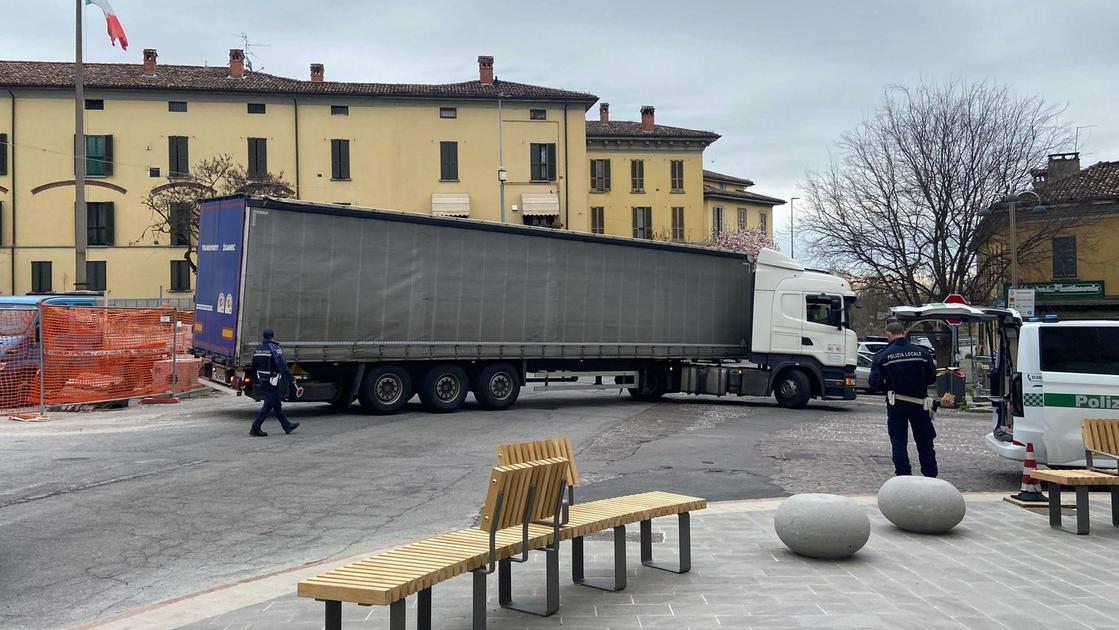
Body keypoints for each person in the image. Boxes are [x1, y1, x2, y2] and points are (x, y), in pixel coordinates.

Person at [869, 321, 938, 477]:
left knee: (899, 442)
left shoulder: (883, 356)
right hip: (920, 403)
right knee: (925, 442)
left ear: (889, 335)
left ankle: (903, 475)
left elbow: (874, 383)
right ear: (904, 333)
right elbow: (931, 378)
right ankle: (930, 475)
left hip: (896, 403)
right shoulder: (922, 353)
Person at [249, 329, 302, 437]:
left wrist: (256, 380)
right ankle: (255, 428)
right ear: (273, 337)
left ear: (263, 337)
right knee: (268, 405)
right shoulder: (275, 349)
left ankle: (286, 425)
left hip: (262, 380)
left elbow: (253, 367)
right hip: (272, 381)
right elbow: (282, 366)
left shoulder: (258, 349)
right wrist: (291, 378)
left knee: (276, 404)